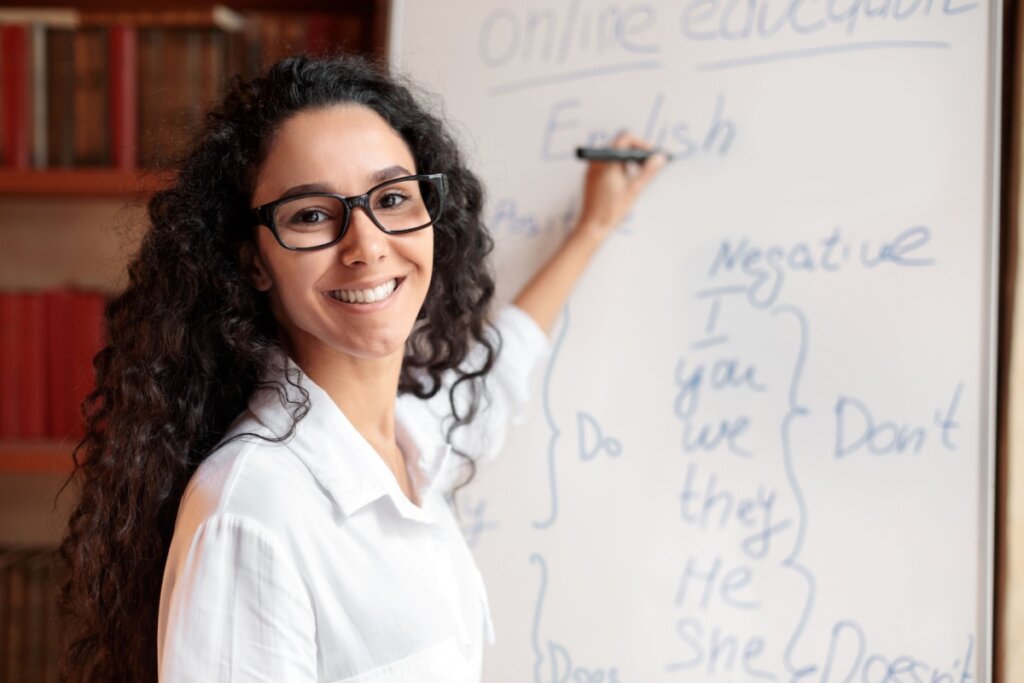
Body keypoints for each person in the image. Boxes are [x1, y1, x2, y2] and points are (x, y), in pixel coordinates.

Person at [55, 54, 665, 682]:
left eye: (393, 198)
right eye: (312, 215)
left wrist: (593, 228)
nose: (368, 245)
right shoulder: (254, 511)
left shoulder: (411, 437)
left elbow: (498, 374)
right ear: (254, 261)